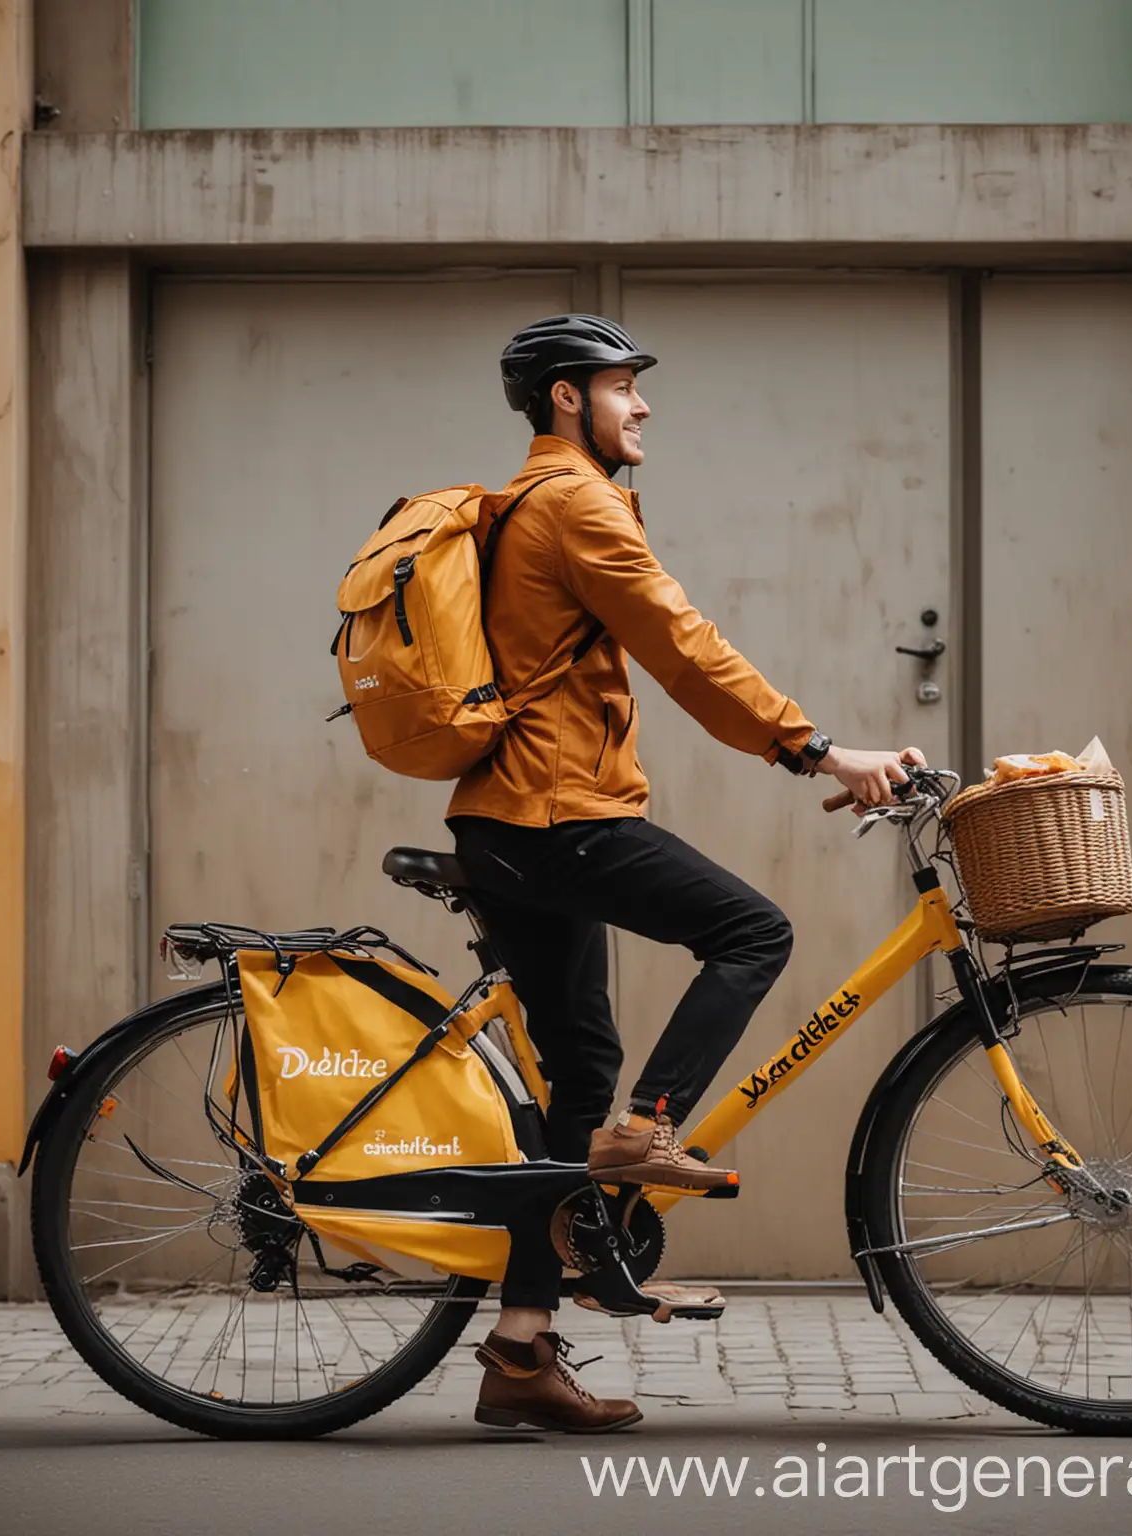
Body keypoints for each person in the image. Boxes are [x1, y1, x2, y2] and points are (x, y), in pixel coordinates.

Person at [449, 314, 926, 1433]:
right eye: (625, 386)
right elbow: (682, 643)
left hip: (513, 823)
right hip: (558, 816)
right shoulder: (573, 503)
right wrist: (818, 748)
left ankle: (519, 1351)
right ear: (569, 398)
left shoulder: (543, 501)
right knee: (753, 931)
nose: (644, 405)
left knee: (576, 1080)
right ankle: (652, 1128)